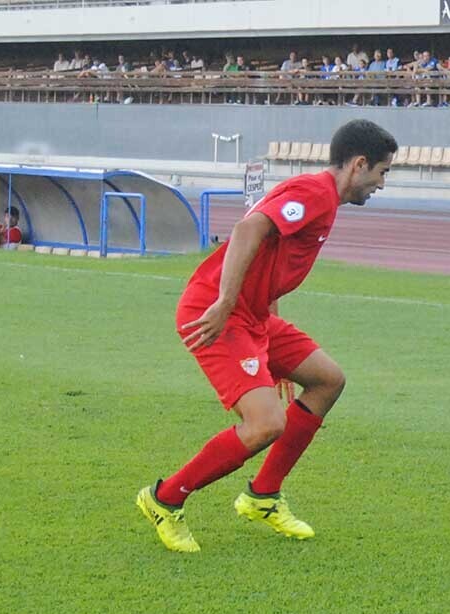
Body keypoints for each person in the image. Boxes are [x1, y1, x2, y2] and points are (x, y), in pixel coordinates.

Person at [135, 119, 398, 553]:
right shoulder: (315, 194)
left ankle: (263, 495)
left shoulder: (322, 198)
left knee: (327, 380)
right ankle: (165, 499)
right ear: (359, 164)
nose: (382, 184)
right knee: (266, 424)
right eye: (383, 172)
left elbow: (269, 258)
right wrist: (224, 302)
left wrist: (270, 342)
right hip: (217, 312)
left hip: (253, 316)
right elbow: (247, 231)